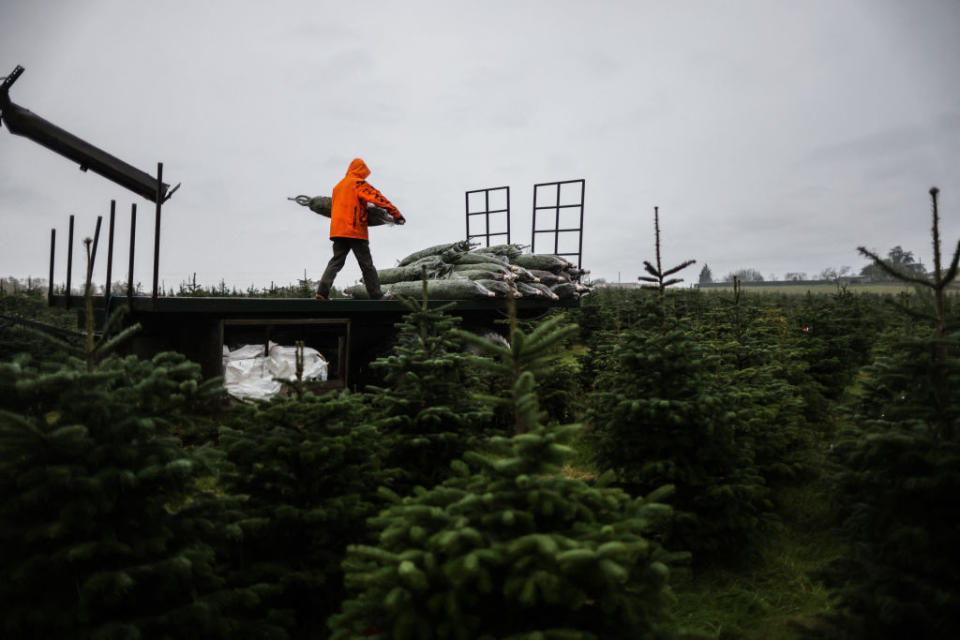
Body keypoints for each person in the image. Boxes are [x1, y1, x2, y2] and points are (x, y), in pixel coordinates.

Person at [315, 158, 405, 300]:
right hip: (355, 230)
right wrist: (396, 214)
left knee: (336, 261)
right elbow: (377, 198)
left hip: (338, 230)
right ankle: (377, 295)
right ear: (360, 171)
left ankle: (322, 292)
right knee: (366, 264)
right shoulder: (358, 183)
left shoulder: (338, 186)